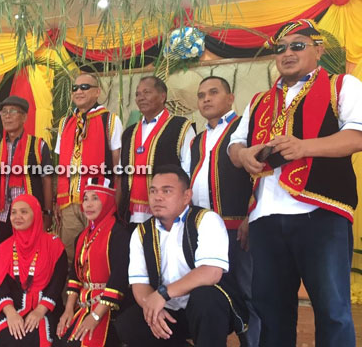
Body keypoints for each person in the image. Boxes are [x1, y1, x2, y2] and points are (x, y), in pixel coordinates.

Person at [228, 19, 362, 347]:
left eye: (298, 45)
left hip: (321, 212)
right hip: (265, 221)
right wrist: (244, 156)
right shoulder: (258, 101)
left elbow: (357, 136)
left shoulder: (342, 85)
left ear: (319, 49)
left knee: (332, 311)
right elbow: (235, 145)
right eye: (281, 48)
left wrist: (304, 147)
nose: (287, 52)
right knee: (271, 313)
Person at [115, 165, 247, 347]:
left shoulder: (206, 220)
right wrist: (151, 306)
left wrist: (162, 294)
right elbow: (139, 283)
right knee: (129, 324)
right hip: (169, 311)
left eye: (167, 191)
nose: (157, 197)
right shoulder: (142, 232)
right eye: (153, 191)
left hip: (207, 312)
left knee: (205, 298)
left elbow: (211, 272)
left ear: (187, 196)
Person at [190, 76, 259, 345]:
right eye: (201, 95)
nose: (206, 99)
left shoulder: (245, 128)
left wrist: (251, 216)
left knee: (248, 292)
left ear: (230, 98)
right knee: (212, 292)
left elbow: (261, 175)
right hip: (204, 232)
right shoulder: (197, 139)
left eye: (213, 92)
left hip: (237, 228)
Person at [55, 73, 123, 265]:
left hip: (98, 200)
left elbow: (118, 166)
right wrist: (57, 200)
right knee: (69, 255)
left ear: (97, 92)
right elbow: (60, 165)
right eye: (75, 88)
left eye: (85, 87)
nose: (78, 91)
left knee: (98, 253)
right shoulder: (65, 123)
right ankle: (70, 294)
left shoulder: (109, 120)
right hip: (68, 203)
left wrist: (116, 201)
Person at [54, 178, 130, 347]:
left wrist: (95, 317)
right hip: (82, 305)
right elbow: (74, 276)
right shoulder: (81, 236)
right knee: (60, 339)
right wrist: (68, 310)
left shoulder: (118, 234)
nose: (88, 204)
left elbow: (119, 280)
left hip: (109, 309)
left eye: (95, 198)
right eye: (86, 199)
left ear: (108, 200)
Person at [0, 194, 67, 347]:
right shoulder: (4, 248)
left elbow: (58, 282)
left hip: (46, 308)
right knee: (5, 334)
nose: (17, 217)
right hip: (12, 307)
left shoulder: (54, 245)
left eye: (24, 212)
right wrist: (10, 313)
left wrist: (39, 311)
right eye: (14, 212)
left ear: (35, 214)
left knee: (36, 335)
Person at [118, 76, 195, 230]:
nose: (141, 98)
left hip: (168, 214)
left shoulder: (181, 126)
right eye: (138, 94)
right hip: (130, 213)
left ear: (162, 96)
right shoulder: (129, 132)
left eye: (146, 92)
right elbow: (121, 173)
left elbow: (189, 170)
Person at [0, 96, 54, 246]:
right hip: (0, 215)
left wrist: (47, 213)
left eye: (12, 111)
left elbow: (46, 180)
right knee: (0, 254)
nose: (7, 116)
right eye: (4, 112)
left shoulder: (38, 145)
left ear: (24, 117)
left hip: (27, 215)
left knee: (28, 255)